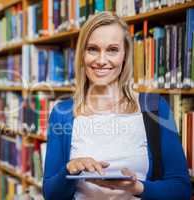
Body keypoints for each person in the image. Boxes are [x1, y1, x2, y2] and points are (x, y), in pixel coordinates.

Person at [42, 12, 191, 200]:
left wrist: (137, 188)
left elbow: (182, 189)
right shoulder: (62, 113)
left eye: (112, 49)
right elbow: (51, 195)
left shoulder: (154, 107)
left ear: (125, 55)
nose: (101, 60)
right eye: (93, 49)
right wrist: (69, 170)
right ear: (82, 55)